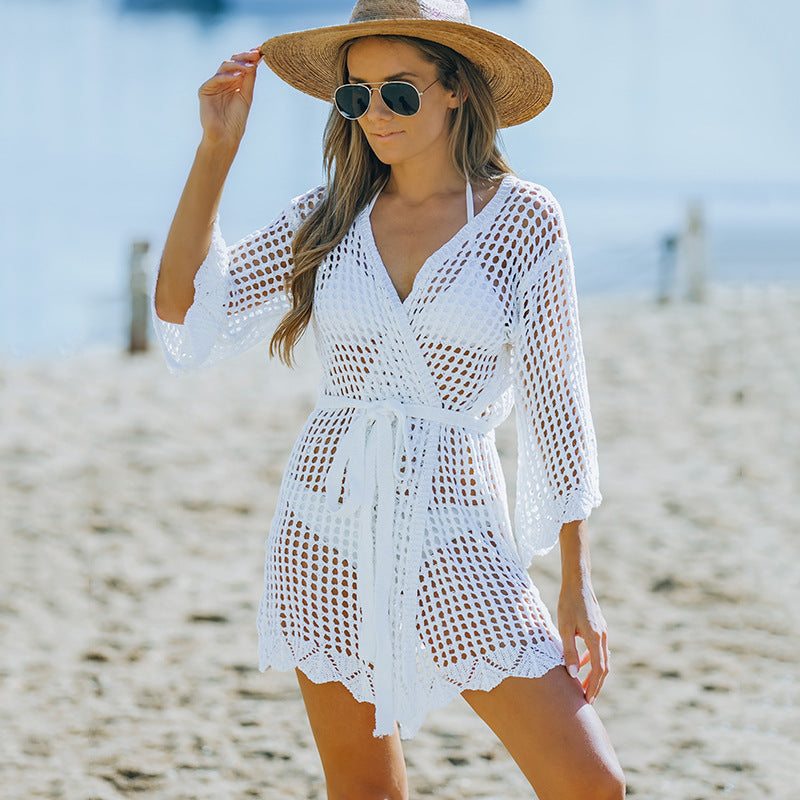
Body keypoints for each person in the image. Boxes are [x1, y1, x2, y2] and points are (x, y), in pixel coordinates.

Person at [152, 1, 626, 797]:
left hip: (458, 535)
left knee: (589, 782)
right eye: (356, 95)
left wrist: (577, 582)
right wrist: (216, 150)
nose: (375, 114)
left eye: (398, 92)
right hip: (322, 530)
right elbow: (181, 303)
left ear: (455, 92)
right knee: (364, 788)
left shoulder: (522, 221)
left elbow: (559, 407)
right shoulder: (328, 217)